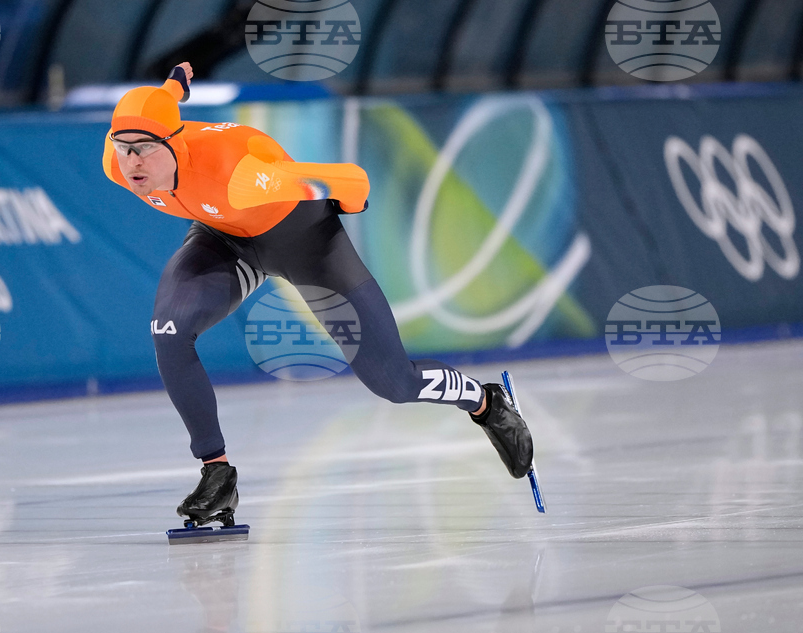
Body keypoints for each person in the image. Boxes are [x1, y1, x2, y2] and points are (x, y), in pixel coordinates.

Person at [102, 63, 534, 529]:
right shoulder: (118, 166)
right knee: (169, 331)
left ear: (176, 144)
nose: (132, 163)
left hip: (306, 242)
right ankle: (216, 473)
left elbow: (350, 178)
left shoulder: (236, 168)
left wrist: (353, 200)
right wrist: (173, 87)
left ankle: (486, 402)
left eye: (143, 150)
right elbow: (160, 106)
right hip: (226, 237)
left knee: (394, 383)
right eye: (123, 148)